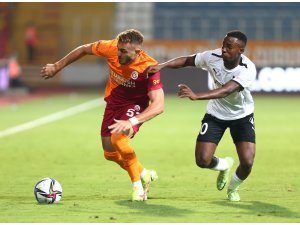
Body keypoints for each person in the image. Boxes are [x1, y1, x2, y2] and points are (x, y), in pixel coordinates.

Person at [40, 29, 164, 201]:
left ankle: (138, 188)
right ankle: (144, 173)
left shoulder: (149, 67)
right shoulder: (111, 47)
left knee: (118, 139)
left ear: (137, 52)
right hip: (113, 103)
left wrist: (132, 121)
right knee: (109, 153)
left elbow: (159, 105)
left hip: (135, 105)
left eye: (123, 51)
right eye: (118, 49)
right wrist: (56, 66)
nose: (118, 53)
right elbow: (84, 49)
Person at [147, 30, 256, 202]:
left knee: (247, 162)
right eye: (223, 45)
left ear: (240, 50)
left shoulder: (247, 69)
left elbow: (226, 90)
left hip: (241, 116)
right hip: (216, 114)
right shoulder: (212, 56)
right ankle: (223, 165)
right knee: (202, 160)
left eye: (228, 47)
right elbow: (187, 60)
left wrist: (197, 96)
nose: (223, 49)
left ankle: (233, 188)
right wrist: (162, 65)